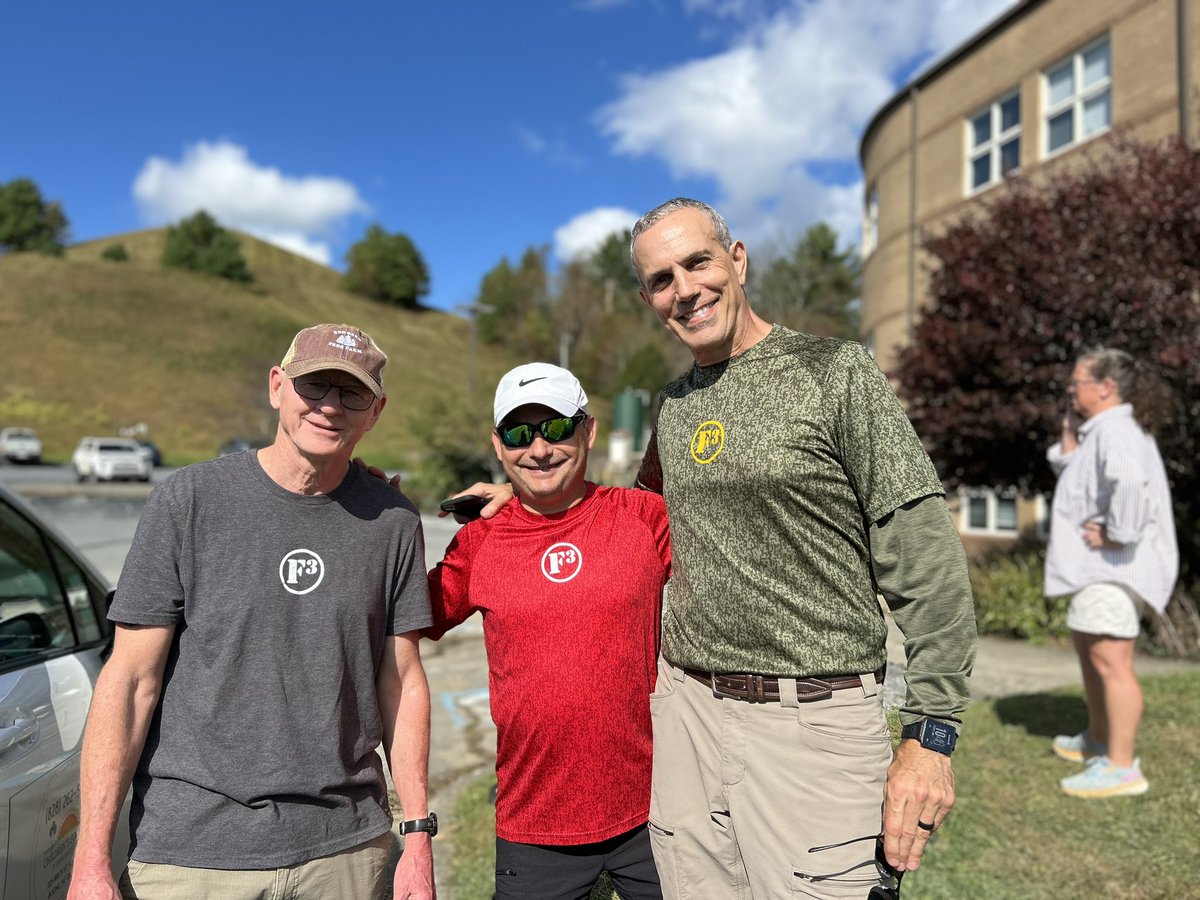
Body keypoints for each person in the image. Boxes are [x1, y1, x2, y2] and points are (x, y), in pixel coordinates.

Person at [628, 197, 976, 898]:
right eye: (662, 279)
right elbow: (636, 523)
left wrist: (930, 736)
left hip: (814, 726)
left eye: (697, 261)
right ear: (649, 298)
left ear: (738, 259)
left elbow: (926, 564)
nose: (685, 289)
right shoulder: (671, 408)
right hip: (688, 719)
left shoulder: (835, 372)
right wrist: (529, 500)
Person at [67, 324, 436, 900]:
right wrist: (91, 860)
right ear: (277, 386)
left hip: (344, 854)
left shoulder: (393, 522)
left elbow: (402, 682)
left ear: (376, 411)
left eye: (351, 393)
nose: (330, 406)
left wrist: (417, 839)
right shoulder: (187, 501)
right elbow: (129, 681)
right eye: (315, 386)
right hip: (192, 856)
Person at [425, 363, 671, 900]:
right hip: (533, 823)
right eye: (518, 433)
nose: (538, 449)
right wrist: (368, 503)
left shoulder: (644, 517)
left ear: (588, 430)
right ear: (498, 444)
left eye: (555, 428)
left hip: (655, 812)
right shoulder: (480, 541)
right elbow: (401, 613)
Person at [1045, 347, 1177, 799]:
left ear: (1106, 387)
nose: (1070, 389)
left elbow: (1129, 484)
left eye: (1077, 382)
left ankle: (1121, 767)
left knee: (1111, 661)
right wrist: (1070, 425)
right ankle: (1099, 741)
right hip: (1098, 570)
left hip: (1114, 569)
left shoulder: (1116, 430)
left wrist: (1118, 534)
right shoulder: (1101, 430)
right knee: (1091, 652)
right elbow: (1073, 470)